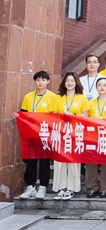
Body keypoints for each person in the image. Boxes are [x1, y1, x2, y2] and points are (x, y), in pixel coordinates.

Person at [14, 71, 57, 200]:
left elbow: (54, 115)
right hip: (31, 133)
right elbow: (24, 113)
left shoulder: (52, 97)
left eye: (43, 80)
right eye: (38, 80)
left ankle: (43, 186)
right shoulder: (28, 97)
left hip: (45, 133)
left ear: (48, 81)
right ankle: (30, 186)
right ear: (34, 82)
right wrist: (18, 116)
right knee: (31, 160)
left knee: (44, 161)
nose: (40, 82)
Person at [52, 73, 90, 200]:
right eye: (67, 81)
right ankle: (61, 188)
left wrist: (73, 115)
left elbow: (86, 115)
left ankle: (71, 188)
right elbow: (53, 114)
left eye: (72, 81)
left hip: (75, 132)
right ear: (64, 83)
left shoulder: (82, 98)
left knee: (73, 161)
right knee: (59, 161)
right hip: (60, 132)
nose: (69, 83)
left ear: (76, 82)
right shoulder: (58, 98)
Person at [85, 77, 106, 198]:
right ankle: (92, 187)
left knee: (105, 163)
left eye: (105, 85)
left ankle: (105, 188)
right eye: (99, 85)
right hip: (92, 136)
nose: (102, 87)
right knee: (91, 162)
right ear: (96, 87)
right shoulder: (90, 103)